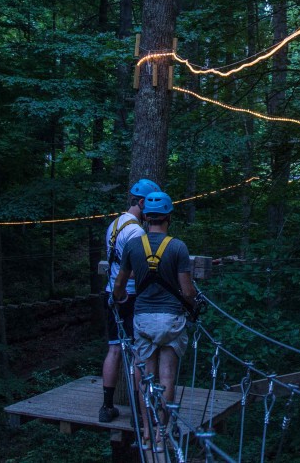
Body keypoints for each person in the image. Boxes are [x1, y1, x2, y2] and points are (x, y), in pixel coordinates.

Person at [112, 191, 197, 450]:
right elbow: (188, 291)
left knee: (146, 377)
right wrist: (193, 308)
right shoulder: (178, 247)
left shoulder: (133, 245)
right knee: (167, 377)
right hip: (171, 320)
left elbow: (119, 284)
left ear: (146, 217)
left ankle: (147, 432)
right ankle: (162, 435)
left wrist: (121, 300)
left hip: (144, 319)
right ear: (168, 216)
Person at [98, 178, 161, 423]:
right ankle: (139, 412)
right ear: (142, 202)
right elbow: (133, 269)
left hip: (112, 292)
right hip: (131, 294)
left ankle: (106, 406)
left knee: (114, 348)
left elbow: (115, 262)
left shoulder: (114, 225)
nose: (152, 212)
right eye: (151, 205)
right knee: (138, 352)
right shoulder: (136, 230)